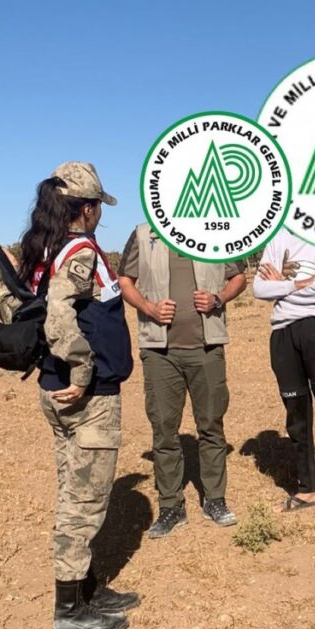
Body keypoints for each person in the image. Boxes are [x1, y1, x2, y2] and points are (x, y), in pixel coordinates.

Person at [0, 161, 138, 629]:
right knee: (82, 504)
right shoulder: (79, 253)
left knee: (74, 487)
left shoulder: (46, 249)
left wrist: (3, 262)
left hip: (56, 390)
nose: (98, 217)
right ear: (86, 209)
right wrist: (84, 370)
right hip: (84, 395)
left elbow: (24, 301)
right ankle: (69, 611)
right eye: (97, 208)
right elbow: (59, 317)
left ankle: (86, 589)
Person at [117, 224, 246, 535]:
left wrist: (218, 298)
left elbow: (239, 277)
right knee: (163, 430)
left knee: (212, 425)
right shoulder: (143, 233)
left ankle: (215, 499)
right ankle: (171, 506)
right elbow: (124, 281)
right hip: (160, 352)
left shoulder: (215, 231)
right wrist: (149, 307)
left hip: (207, 348)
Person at [252, 228, 315, 523]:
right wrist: (299, 284)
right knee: (296, 415)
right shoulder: (277, 237)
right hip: (282, 332)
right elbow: (258, 289)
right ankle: (309, 490)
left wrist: (281, 283)